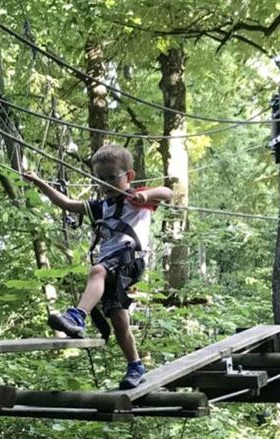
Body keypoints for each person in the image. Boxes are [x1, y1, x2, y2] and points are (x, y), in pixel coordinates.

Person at [22, 144, 172, 389]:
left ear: (129, 176)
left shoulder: (137, 200)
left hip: (130, 259)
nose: (105, 184)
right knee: (118, 318)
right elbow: (67, 204)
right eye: (100, 179)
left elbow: (166, 192)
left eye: (111, 178)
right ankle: (135, 366)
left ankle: (77, 316)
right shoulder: (101, 206)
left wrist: (146, 195)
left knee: (97, 270)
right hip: (115, 266)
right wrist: (39, 182)